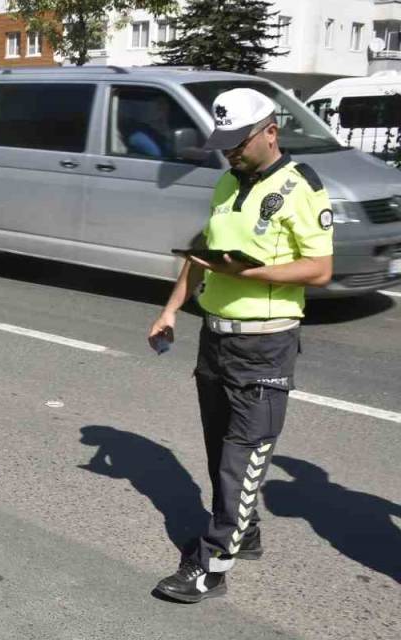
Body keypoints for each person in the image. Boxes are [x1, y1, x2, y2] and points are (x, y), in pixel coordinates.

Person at [146, 88, 334, 603]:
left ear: (270, 132)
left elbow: (319, 269)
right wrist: (170, 309)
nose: (229, 151)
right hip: (216, 340)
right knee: (217, 452)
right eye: (224, 142)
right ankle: (241, 530)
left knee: (241, 460)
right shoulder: (227, 182)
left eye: (239, 142)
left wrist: (251, 272)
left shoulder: (301, 188)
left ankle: (212, 567)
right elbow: (203, 253)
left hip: (265, 346)